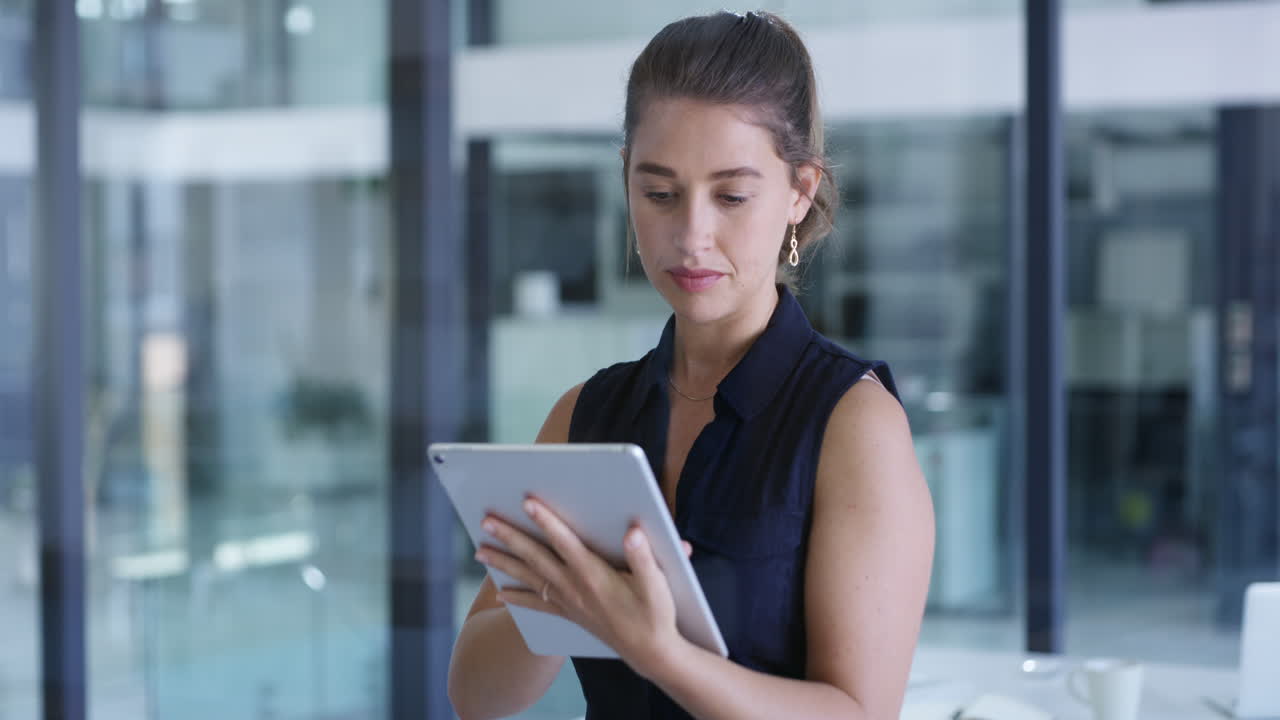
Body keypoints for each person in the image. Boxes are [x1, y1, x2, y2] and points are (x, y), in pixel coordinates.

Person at [447, 11, 934, 720]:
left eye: (732, 196)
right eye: (660, 194)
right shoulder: (586, 413)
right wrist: (571, 600)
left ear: (800, 190)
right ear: (626, 182)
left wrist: (659, 651)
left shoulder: (853, 424)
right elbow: (475, 699)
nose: (691, 236)